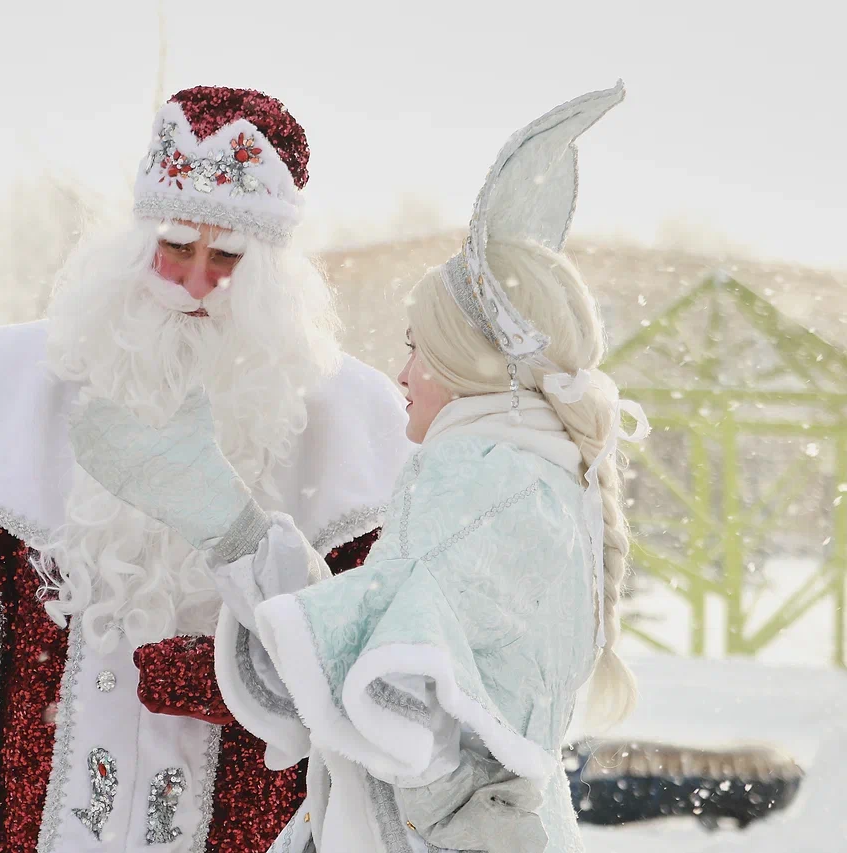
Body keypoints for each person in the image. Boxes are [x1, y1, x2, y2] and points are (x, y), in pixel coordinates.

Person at [68, 82, 649, 853]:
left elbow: (391, 696)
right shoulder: (527, 473)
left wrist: (227, 529)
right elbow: (387, 656)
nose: (402, 373)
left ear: (468, 362)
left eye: (418, 347)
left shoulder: (482, 479)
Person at [0, 85, 411, 853]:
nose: (194, 282)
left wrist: (238, 678)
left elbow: (357, 662)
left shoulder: (351, 431)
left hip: (241, 820)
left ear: (267, 274)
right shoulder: (14, 391)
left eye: (225, 258)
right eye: (176, 248)